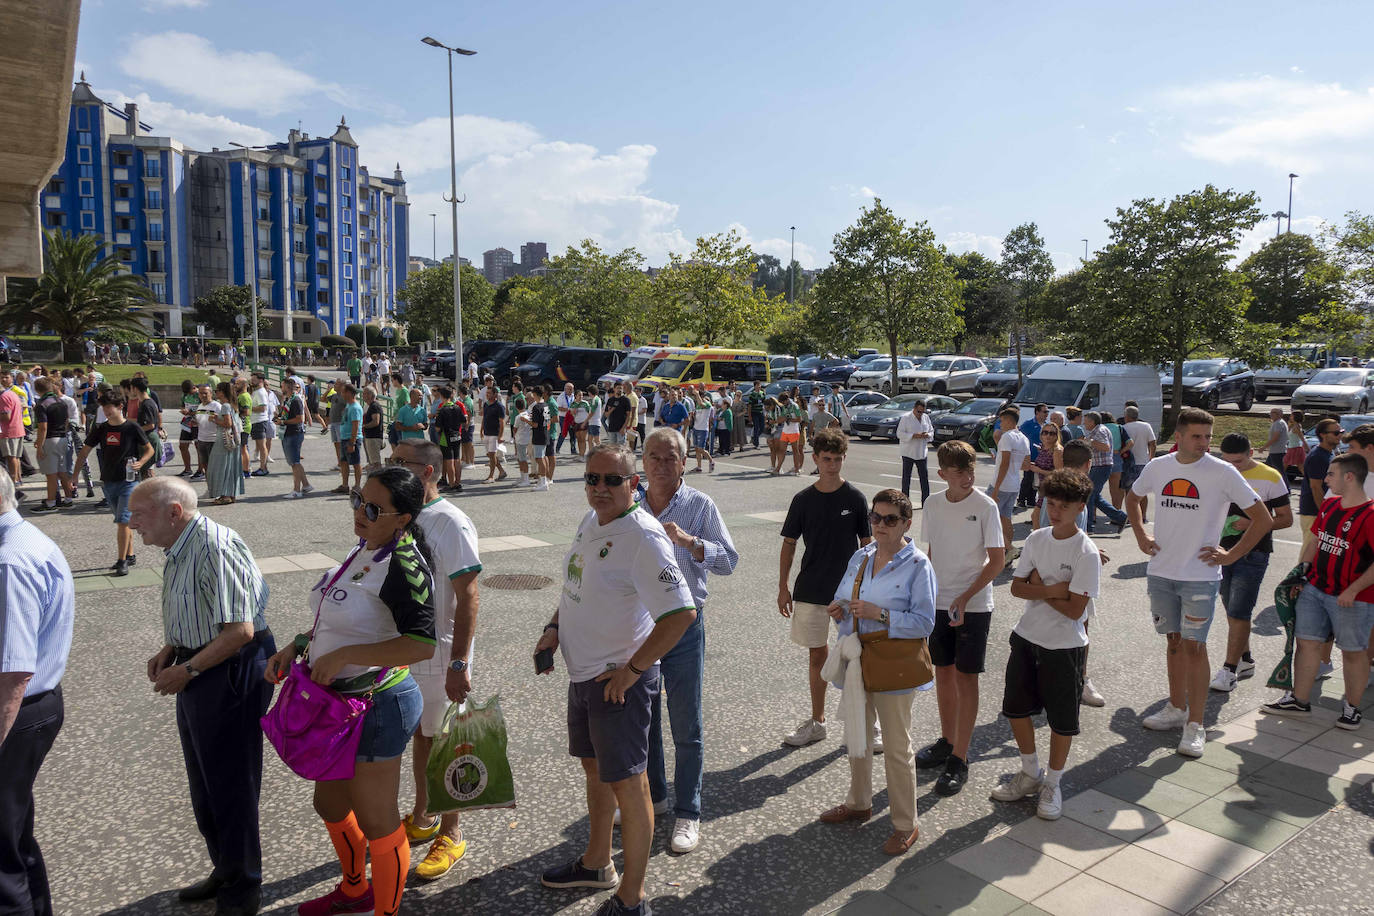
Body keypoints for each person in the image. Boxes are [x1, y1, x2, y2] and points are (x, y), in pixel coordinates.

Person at [263, 467, 436, 916]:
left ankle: (386, 910)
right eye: (359, 499)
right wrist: (298, 645)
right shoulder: (365, 548)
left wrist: (344, 657)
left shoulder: (404, 564)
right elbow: (340, 619)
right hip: (338, 706)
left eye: (374, 508)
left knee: (378, 819)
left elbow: (420, 643)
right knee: (329, 802)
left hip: (378, 706)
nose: (361, 512)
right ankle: (355, 889)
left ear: (403, 518)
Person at [533, 444, 696, 916]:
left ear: (634, 484)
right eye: (591, 479)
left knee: (631, 785)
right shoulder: (592, 522)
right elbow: (575, 588)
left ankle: (632, 898)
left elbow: (681, 614)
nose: (599, 488)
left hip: (617, 684)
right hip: (583, 676)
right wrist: (554, 628)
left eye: (611, 480)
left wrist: (633, 671)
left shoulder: (644, 537)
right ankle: (597, 862)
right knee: (596, 772)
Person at [128, 478, 274, 916]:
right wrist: (171, 647)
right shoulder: (180, 544)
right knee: (206, 783)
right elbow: (196, 608)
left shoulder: (214, 545)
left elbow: (240, 631)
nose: (130, 523)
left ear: (173, 511)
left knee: (231, 784)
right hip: (200, 662)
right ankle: (226, 868)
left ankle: (244, 884)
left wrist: (188, 668)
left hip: (228, 666)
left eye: (139, 514)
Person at [1128, 408, 1272, 757]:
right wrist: (1140, 536)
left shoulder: (1222, 472)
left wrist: (1231, 555)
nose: (1205, 443)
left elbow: (1263, 518)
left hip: (1200, 577)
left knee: (1196, 647)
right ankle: (1175, 709)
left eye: (1209, 437)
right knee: (1174, 643)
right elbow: (1134, 498)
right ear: (1178, 437)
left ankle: (1196, 725)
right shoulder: (1158, 467)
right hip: (1162, 573)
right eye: (1197, 436)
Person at [819, 488, 934, 854]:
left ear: (906, 523)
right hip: (859, 660)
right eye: (876, 517)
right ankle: (858, 802)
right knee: (858, 734)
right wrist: (837, 608)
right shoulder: (862, 556)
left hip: (894, 664)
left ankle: (905, 824)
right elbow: (842, 595)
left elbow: (925, 622)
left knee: (897, 747)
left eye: (890, 519)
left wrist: (880, 614)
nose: (881, 525)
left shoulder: (918, 565)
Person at [640, 427, 738, 854]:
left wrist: (692, 543)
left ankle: (688, 812)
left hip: (683, 627)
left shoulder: (700, 505)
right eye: (654, 457)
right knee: (644, 719)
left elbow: (729, 560)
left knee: (686, 723)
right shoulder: (632, 504)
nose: (662, 465)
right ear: (643, 462)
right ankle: (657, 797)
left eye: (670, 458)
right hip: (640, 628)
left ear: (684, 462)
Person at [389, 440, 482, 881]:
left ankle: (453, 831)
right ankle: (424, 815)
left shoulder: (452, 522)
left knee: (449, 745)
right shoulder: (404, 516)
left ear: (428, 471)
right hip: (409, 650)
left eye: (401, 464)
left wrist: (460, 662)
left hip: (443, 652)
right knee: (423, 739)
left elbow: (469, 595)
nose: (394, 470)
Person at [989, 470, 1100, 820]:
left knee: (1061, 721)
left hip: (1065, 647)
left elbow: (1075, 610)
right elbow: (1017, 587)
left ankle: (1053, 782)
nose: (1055, 511)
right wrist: (1055, 589)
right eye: (1050, 503)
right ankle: (1029, 772)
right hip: (1026, 637)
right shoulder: (1037, 539)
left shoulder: (1087, 552)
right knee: (1016, 709)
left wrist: (1042, 588)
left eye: (1064, 506)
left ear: (1080, 507)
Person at [0, 470, 73, 916]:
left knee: (2, 854)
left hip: (17, 711)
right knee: (14, 836)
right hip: (33, 707)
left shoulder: (9, 561)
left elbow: (13, 672)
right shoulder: (26, 537)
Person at [916, 441, 1005, 795]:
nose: (968, 477)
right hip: (939, 603)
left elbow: (997, 560)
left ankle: (960, 757)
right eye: (959, 472)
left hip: (974, 605)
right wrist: (928, 596)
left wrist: (965, 598)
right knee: (943, 674)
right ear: (942, 475)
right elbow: (933, 551)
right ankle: (946, 741)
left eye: (971, 470)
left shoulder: (986, 506)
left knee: (966, 680)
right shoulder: (933, 503)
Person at [1263, 452, 1374, 729]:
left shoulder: (1371, 516)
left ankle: (1351, 708)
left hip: (1353, 598)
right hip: (1314, 588)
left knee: (1353, 652)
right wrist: (1300, 574)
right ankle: (1299, 701)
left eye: (1331, 475)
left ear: (1349, 477)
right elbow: (1316, 539)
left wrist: (1352, 590)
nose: (1325, 480)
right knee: (1307, 643)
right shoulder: (1330, 505)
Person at [778, 428, 873, 748]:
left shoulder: (856, 498)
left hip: (848, 594)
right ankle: (817, 722)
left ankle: (866, 724)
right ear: (815, 458)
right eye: (826, 459)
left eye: (838, 459)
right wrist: (782, 586)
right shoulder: (802, 499)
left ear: (844, 459)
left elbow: (868, 547)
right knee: (817, 655)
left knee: (860, 658)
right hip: (810, 590)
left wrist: (868, 589)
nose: (832, 465)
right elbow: (789, 545)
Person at [1206, 434, 1293, 692]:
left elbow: (1286, 519)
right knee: (1231, 609)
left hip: (1254, 553)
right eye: (1228, 461)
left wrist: (1253, 522)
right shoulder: (1217, 472)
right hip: (1220, 550)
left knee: (1239, 612)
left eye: (1240, 461)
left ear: (1252, 453)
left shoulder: (1271, 476)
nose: (1234, 467)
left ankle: (1229, 670)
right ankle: (1245, 660)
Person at [75, 390, 153, 576]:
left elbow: (149, 450)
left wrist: (141, 462)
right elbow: (84, 451)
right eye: (104, 407)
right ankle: (131, 554)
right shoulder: (101, 428)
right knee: (123, 522)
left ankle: (121, 561)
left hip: (129, 481)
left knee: (123, 522)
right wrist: (74, 476)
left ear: (120, 407)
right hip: (108, 481)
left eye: (109, 407)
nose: (106, 410)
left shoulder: (132, 428)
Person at [989, 407, 1031, 557]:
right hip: (1014, 485)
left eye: (1001, 421)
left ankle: (1009, 548)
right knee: (1006, 518)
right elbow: (1026, 465)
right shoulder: (1024, 438)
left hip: (1001, 484)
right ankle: (1007, 552)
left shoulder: (1007, 437)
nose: (1000, 424)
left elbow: (1005, 463)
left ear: (1008, 420)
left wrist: (995, 489)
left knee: (989, 517)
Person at [30, 378, 72, 513]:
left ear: (37, 390)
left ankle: (51, 502)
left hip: (50, 439)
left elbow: (43, 427)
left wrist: (40, 445)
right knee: (62, 471)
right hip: (62, 438)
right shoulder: (61, 401)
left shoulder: (42, 404)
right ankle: (68, 499)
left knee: (51, 474)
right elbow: (66, 421)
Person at [1300, 418, 1341, 555]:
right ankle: (1299, 577)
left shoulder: (1329, 453)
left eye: (1341, 431)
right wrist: (1323, 513)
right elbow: (1316, 487)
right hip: (1313, 512)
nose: (1340, 435)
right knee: (1309, 552)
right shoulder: (1318, 456)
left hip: (1319, 511)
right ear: (1323, 435)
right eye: (1336, 433)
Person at [1082, 412, 1128, 534]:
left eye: (1086, 421)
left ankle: (1088, 526)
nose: (1084, 424)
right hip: (1100, 466)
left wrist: (1090, 441)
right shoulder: (1099, 430)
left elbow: (1106, 447)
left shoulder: (1099, 430)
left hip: (1102, 466)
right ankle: (1121, 517)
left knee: (1090, 495)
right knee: (1095, 496)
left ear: (1092, 422)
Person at [207, 382, 244, 506]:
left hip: (224, 439)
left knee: (221, 466)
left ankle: (225, 495)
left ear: (222, 392)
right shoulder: (232, 405)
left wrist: (215, 419)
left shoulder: (225, 406)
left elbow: (227, 424)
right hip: (233, 440)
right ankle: (231, 493)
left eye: (217, 390)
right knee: (231, 465)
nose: (215, 392)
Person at [278, 377, 313, 499]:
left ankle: (296, 490)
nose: (281, 387)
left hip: (294, 433)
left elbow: (300, 419)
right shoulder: (289, 399)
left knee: (295, 463)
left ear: (287, 387)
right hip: (289, 433)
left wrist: (284, 422)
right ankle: (306, 485)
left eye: (282, 385)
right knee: (295, 461)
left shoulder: (296, 400)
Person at [896, 398, 933, 505]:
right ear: (914, 409)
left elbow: (931, 431)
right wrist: (913, 436)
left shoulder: (926, 418)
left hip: (921, 452)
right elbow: (899, 434)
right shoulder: (906, 418)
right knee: (906, 479)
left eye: (922, 412)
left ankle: (925, 502)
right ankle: (905, 503)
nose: (920, 414)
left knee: (924, 478)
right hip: (908, 452)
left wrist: (927, 435)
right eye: (918, 411)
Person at [333, 384, 364, 495]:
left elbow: (355, 426)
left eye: (343, 392)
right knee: (344, 462)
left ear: (349, 393)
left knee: (356, 463)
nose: (342, 394)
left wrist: (352, 442)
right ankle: (345, 485)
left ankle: (357, 486)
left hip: (351, 439)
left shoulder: (355, 407)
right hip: (344, 438)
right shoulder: (348, 406)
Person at [1015, 403, 1047, 509]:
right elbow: (1019, 437)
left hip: (1041, 458)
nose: (1047, 414)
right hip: (1030, 456)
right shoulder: (1028, 424)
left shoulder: (1046, 425)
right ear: (1037, 412)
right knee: (1027, 479)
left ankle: (1031, 500)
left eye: (1047, 412)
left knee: (1036, 480)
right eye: (1044, 411)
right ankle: (1021, 499)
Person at [1121, 405, 1156, 490]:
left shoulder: (1124, 428)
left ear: (1127, 416)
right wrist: (1151, 458)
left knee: (1129, 491)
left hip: (1128, 463)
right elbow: (1153, 444)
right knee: (1143, 492)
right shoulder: (1146, 426)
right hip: (1144, 462)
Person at [0, 371, 24, 492]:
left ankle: (14, 480)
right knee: (16, 457)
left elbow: (6, 416)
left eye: (6, 377)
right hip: (18, 429)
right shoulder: (12, 393)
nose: (4, 379)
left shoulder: (3, 396)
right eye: (2, 377)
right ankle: (18, 479)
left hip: (9, 431)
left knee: (11, 457)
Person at [480, 387, 508, 483]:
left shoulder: (499, 406)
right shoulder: (486, 404)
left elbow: (502, 422)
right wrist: (481, 429)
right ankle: (502, 471)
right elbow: (484, 418)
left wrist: (500, 436)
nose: (487, 395)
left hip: (494, 434)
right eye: (487, 393)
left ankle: (491, 477)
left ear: (495, 395)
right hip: (487, 433)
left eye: (489, 393)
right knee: (490, 455)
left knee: (492, 455)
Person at [361, 387, 385, 471]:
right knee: (373, 461)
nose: (362, 395)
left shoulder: (374, 406)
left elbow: (376, 422)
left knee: (376, 463)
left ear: (370, 395)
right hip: (370, 437)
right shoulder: (370, 406)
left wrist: (364, 426)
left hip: (374, 437)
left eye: (364, 393)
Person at [1263, 407, 1288, 475]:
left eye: (1273, 413)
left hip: (1277, 452)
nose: (1271, 414)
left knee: (1280, 472)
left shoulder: (1278, 423)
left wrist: (1263, 447)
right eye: (1271, 413)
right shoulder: (1278, 423)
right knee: (1267, 469)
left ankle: (1285, 485)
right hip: (1275, 451)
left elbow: (1275, 438)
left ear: (1279, 414)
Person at [1285, 408, 1308, 480]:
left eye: (1291, 416)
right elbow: (1287, 435)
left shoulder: (1297, 426)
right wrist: (1289, 426)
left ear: (1295, 417)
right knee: (1299, 467)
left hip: (1295, 448)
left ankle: (1309, 479)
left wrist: (1306, 446)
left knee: (1300, 467)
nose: (1290, 417)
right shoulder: (1293, 426)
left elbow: (1302, 437)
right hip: (1291, 447)